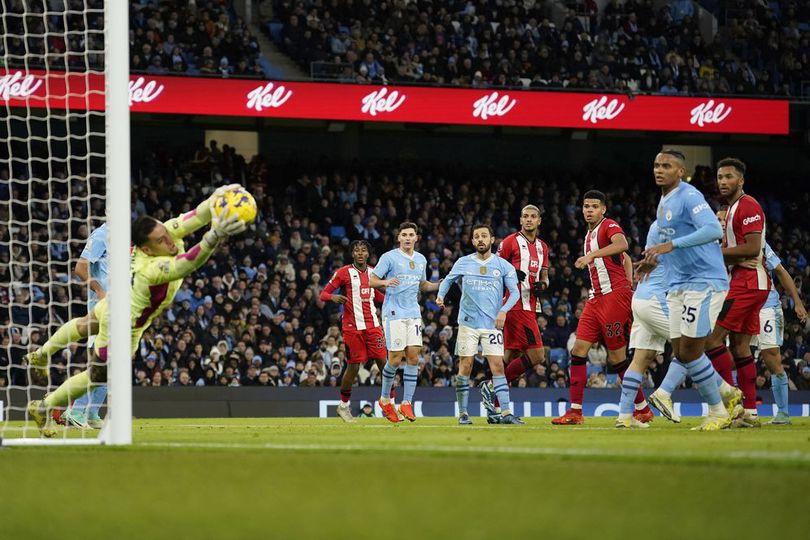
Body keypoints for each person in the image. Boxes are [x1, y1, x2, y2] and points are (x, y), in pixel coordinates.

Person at [27, 186, 247, 437]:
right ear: (149, 250)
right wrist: (214, 236)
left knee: (85, 325)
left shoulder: (162, 233)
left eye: (165, 232)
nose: (168, 240)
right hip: (123, 324)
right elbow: (190, 262)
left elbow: (196, 215)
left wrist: (218, 199)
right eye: (161, 240)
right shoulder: (151, 270)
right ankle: (47, 406)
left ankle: (43, 354)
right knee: (99, 373)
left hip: (117, 300)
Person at [637, 150, 741, 431]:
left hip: (704, 281)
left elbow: (712, 231)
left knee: (693, 350)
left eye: (666, 166)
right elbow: (666, 243)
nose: (659, 169)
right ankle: (728, 394)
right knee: (681, 351)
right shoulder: (663, 202)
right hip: (678, 283)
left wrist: (673, 245)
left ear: (680, 171)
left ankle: (718, 411)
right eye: (656, 165)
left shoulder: (689, 195)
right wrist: (652, 262)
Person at [552, 190, 652, 425]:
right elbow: (626, 258)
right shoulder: (589, 235)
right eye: (586, 206)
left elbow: (623, 245)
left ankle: (642, 408)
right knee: (577, 351)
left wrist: (625, 287)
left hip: (614, 298)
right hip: (595, 300)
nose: (589, 210)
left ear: (603, 209)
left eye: (594, 206)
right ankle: (575, 412)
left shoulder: (609, 226)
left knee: (616, 358)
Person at [704, 157, 770, 427]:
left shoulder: (748, 205)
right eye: (720, 177)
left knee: (711, 341)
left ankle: (731, 404)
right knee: (741, 347)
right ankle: (750, 412)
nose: (723, 181)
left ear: (741, 180)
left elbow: (753, 248)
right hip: (747, 282)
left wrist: (715, 254)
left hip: (748, 282)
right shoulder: (731, 209)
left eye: (729, 177)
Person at [437, 223, 523, 425]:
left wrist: (503, 310)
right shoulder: (463, 262)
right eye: (477, 237)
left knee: (498, 367)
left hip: (492, 325)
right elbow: (448, 280)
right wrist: (441, 295)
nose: (481, 239)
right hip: (468, 324)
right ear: (473, 241)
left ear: (492, 240)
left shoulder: (503, 265)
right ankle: (464, 413)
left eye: (484, 236)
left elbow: (515, 292)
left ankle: (506, 412)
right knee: (465, 366)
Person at [27, 223, 110, 429]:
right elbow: (80, 267)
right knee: (104, 360)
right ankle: (76, 410)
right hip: (103, 307)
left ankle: (91, 412)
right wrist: (99, 291)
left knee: (113, 362)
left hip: (122, 306)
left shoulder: (126, 237)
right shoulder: (102, 234)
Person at [479, 205, 548, 422]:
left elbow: (545, 276)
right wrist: (508, 273)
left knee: (510, 357)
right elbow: (493, 268)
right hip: (515, 305)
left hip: (531, 305)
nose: (529, 220)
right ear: (520, 220)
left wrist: (543, 286)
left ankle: (496, 409)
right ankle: (490, 387)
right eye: (525, 216)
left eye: (533, 217)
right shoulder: (509, 242)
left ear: (539, 221)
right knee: (537, 355)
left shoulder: (543, 247)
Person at [369, 222, 440, 423]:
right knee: (395, 358)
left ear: (416, 238)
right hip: (394, 312)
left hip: (413, 312)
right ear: (399, 238)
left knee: (414, 357)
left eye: (411, 235)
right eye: (404, 235)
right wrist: (385, 282)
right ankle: (385, 399)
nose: (408, 238)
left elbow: (423, 284)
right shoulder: (389, 257)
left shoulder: (421, 259)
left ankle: (406, 403)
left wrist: (438, 285)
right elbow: (371, 280)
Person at [319, 240, 390, 423]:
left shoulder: (375, 273)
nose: (360, 253)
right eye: (356, 250)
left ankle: (391, 405)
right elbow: (323, 294)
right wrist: (333, 297)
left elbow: (378, 296)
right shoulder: (343, 272)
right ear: (352, 254)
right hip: (352, 328)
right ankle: (343, 406)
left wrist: (395, 297)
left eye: (363, 250)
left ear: (368, 254)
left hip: (373, 325)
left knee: (384, 364)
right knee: (353, 367)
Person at [616, 221, 672, 428]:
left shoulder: (656, 226)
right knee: (690, 348)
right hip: (656, 300)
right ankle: (664, 392)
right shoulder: (677, 229)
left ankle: (624, 416)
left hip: (641, 298)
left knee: (641, 358)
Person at [752, 242, 807, 424]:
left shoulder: (759, 243)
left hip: (766, 306)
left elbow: (781, 272)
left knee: (771, 356)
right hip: (741, 305)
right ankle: (744, 410)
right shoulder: (723, 243)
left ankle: (783, 413)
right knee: (736, 351)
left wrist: (797, 303)